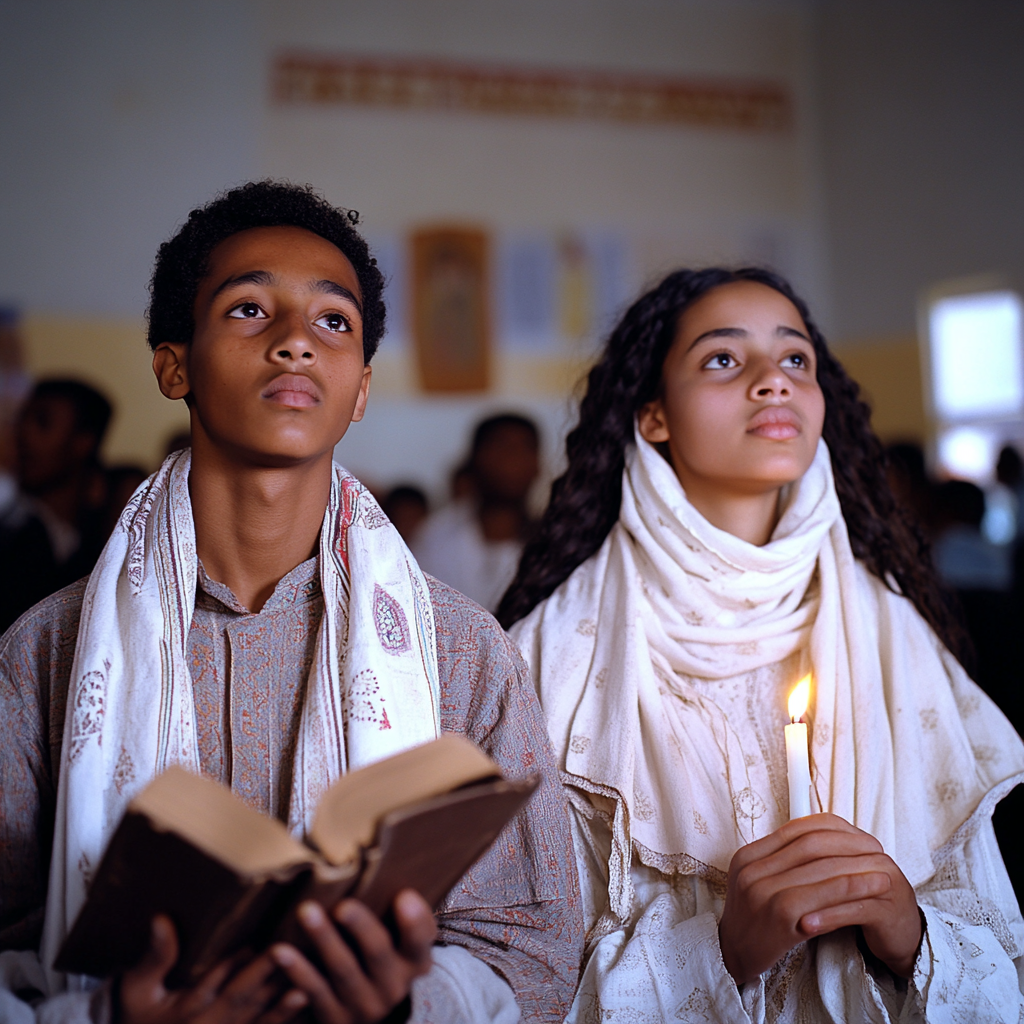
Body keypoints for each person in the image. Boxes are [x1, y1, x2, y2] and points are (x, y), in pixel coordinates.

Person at [0, 181, 581, 1024]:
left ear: (362, 388)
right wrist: (108, 1016)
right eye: (248, 310)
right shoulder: (46, 651)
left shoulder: (459, 650)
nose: (296, 343)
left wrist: (406, 1003)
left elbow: (534, 948)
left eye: (332, 322)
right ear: (174, 365)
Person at [499, 267, 1024, 1021]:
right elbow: (516, 986)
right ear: (653, 416)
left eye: (794, 360)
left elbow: (1000, 961)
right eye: (723, 359)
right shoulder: (553, 657)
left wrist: (911, 936)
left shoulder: (891, 631)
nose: (772, 382)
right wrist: (722, 951)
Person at [0, 378, 112, 633]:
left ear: (83, 442)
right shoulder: (12, 531)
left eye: (42, 422)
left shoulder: (103, 539)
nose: (23, 434)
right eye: (22, 420)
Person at [414, 415, 539, 613]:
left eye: (524, 448)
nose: (511, 460)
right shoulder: (435, 535)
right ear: (474, 459)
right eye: (501, 447)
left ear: (537, 465)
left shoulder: (551, 541)